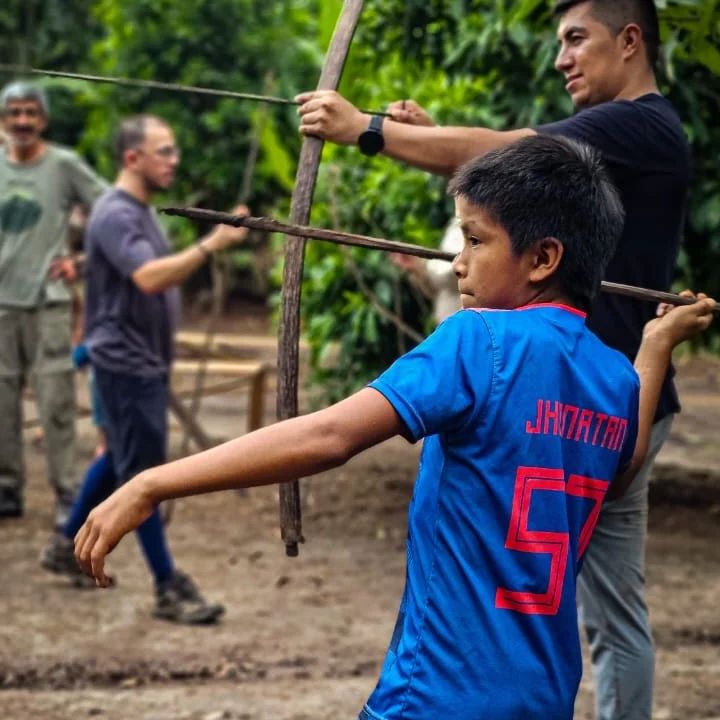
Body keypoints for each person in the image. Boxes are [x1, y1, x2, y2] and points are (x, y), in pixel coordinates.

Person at [74, 136, 715, 718]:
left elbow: (330, 436)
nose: (457, 262)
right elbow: (623, 461)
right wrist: (655, 346)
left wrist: (152, 484)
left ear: (544, 258)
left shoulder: (477, 339)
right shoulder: (615, 377)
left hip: (438, 694)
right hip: (543, 695)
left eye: (475, 239)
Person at [295, 2, 686, 716]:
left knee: (587, 607)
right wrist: (428, 138)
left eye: (577, 39)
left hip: (568, 396)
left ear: (630, 40)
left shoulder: (642, 123)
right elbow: (510, 187)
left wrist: (369, 131)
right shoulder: (624, 142)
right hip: (601, 394)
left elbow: (509, 153)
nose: (562, 58)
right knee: (546, 588)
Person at [46, 114, 249, 623]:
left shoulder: (138, 212)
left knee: (120, 456)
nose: (174, 160)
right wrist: (211, 244)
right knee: (144, 477)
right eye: (164, 151)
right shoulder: (116, 214)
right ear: (132, 158)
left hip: (140, 362)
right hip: (125, 364)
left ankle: (64, 545)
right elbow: (149, 278)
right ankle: (167, 586)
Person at [0, 81, 107, 524]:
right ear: (3, 121)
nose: (22, 121)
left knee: (56, 401)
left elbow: (111, 209)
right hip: (2, 303)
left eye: (31, 113)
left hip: (48, 301)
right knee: (2, 401)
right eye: (14, 113)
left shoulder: (63, 165)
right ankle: (7, 488)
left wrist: (80, 262)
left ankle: (67, 493)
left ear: (43, 120)